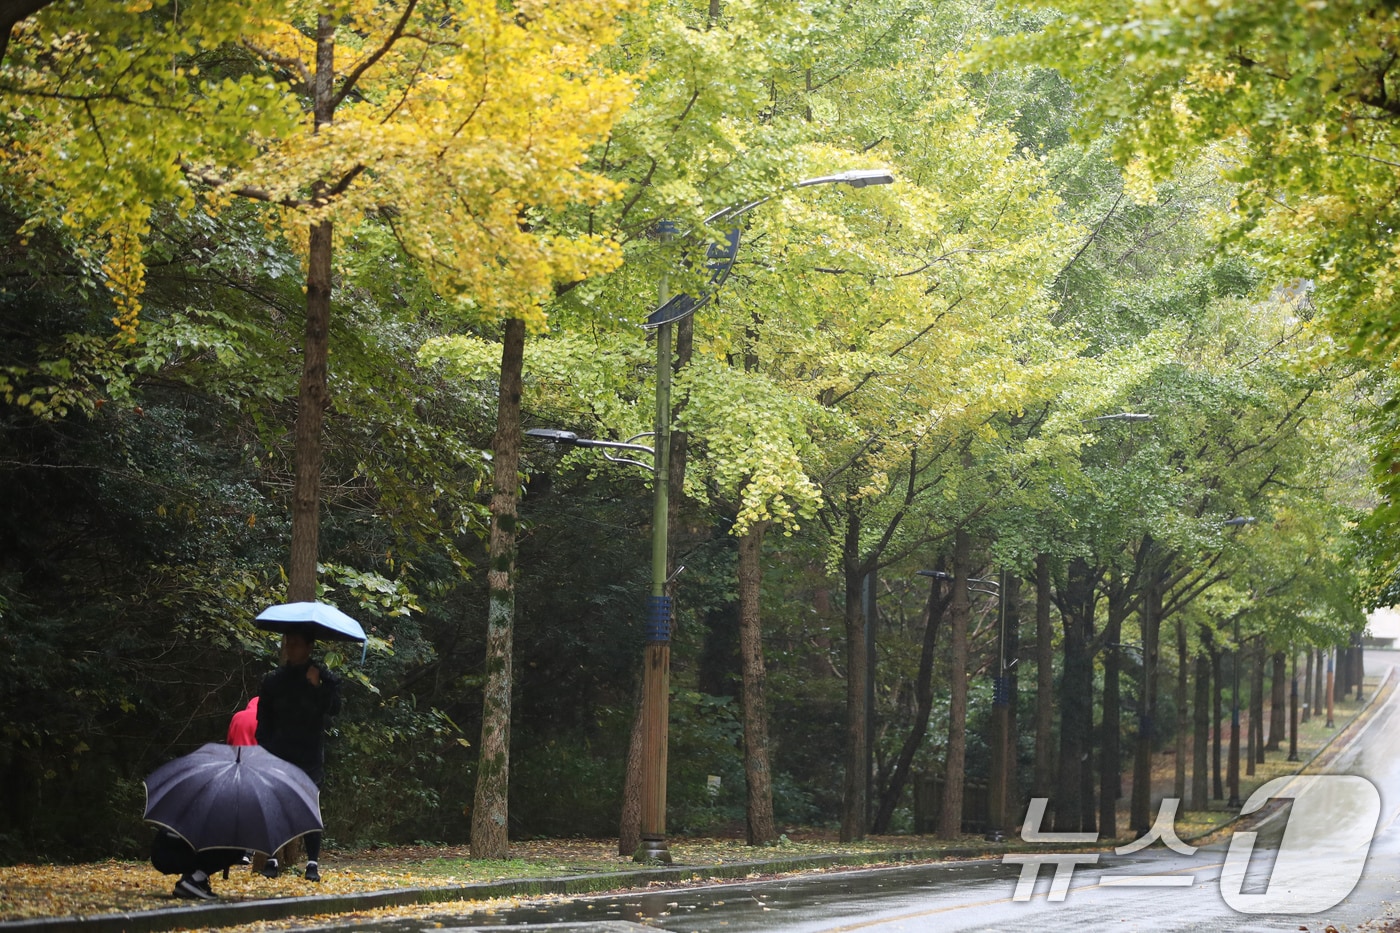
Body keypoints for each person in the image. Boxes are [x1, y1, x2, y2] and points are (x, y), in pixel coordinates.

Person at [255, 626, 341, 883]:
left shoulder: (323, 677)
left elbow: (334, 708)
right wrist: (265, 747)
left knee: (308, 806)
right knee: (275, 804)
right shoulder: (274, 680)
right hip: (278, 751)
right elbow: (263, 718)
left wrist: (317, 686)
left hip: (309, 753)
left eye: (296, 643)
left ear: (308, 647)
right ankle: (272, 858)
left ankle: (312, 862)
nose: (290, 648)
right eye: (288, 643)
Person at [150, 828, 241, 900]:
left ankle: (189, 878)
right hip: (173, 852)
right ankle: (194, 880)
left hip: (160, 851)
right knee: (238, 846)